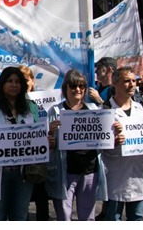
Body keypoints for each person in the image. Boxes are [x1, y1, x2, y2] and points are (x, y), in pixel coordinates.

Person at [0, 65, 42, 220]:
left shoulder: (31, 107)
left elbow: (38, 133)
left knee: (20, 215)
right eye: (10, 81)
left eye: (17, 82)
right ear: (2, 84)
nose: (14, 85)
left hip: (24, 173)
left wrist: (46, 141)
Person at [48, 69, 103, 220]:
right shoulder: (55, 111)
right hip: (65, 172)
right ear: (65, 88)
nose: (78, 90)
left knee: (87, 217)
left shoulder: (93, 109)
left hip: (90, 170)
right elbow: (48, 144)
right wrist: (50, 132)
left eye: (81, 86)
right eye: (73, 86)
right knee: (64, 216)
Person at [100, 66, 143, 221]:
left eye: (134, 81)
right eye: (126, 81)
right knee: (113, 218)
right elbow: (96, 144)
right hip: (116, 173)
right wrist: (113, 142)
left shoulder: (140, 109)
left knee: (137, 217)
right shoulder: (105, 110)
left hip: (139, 172)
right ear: (115, 83)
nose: (131, 85)